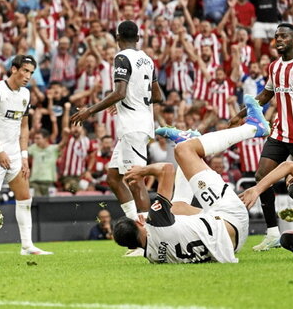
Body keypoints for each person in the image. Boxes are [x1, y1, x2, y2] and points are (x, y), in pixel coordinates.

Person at [113, 95, 268, 263]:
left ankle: (189, 139)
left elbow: (168, 220)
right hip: (231, 216)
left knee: (177, 207)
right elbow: (167, 169)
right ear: (139, 224)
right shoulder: (157, 222)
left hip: (232, 243)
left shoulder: (153, 256)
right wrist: (142, 171)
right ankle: (254, 127)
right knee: (183, 151)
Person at [229, 23, 293, 251]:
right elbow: (265, 94)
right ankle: (272, 232)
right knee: (262, 175)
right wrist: (241, 114)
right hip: (280, 132)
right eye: (276, 36)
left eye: (284, 36)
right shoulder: (274, 67)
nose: (278, 39)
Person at [71, 20, 164, 256]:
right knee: (113, 177)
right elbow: (157, 95)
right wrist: (126, 103)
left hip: (133, 127)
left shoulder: (122, 58)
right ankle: (136, 225)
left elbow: (120, 91)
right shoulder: (148, 59)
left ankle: (147, 240)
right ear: (139, 37)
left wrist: (90, 110)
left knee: (135, 180)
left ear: (117, 37)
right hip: (138, 124)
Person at [0, 54, 52, 258]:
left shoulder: (26, 94)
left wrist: (24, 156)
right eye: (25, 71)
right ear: (14, 69)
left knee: (25, 198)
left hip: (16, 155)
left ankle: (27, 245)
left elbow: (24, 127)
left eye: (31, 73)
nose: (28, 76)